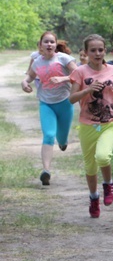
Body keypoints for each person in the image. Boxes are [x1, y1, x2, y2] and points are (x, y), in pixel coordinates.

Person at [68, 34, 113, 218]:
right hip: (88, 124)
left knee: (103, 157)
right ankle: (94, 198)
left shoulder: (112, 69)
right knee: (89, 167)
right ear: (86, 52)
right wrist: (88, 90)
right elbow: (71, 99)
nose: (97, 53)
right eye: (93, 50)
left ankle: (108, 183)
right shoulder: (80, 72)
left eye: (100, 50)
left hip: (110, 122)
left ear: (105, 51)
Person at [21, 31, 77, 186]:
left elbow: (79, 74)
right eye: (46, 42)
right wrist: (24, 82)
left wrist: (64, 78)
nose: (49, 44)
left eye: (52, 42)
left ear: (56, 44)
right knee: (49, 135)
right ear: (41, 45)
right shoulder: (37, 61)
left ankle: (63, 141)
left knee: (62, 138)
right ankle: (46, 171)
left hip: (65, 103)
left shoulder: (64, 59)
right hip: (46, 103)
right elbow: (30, 76)